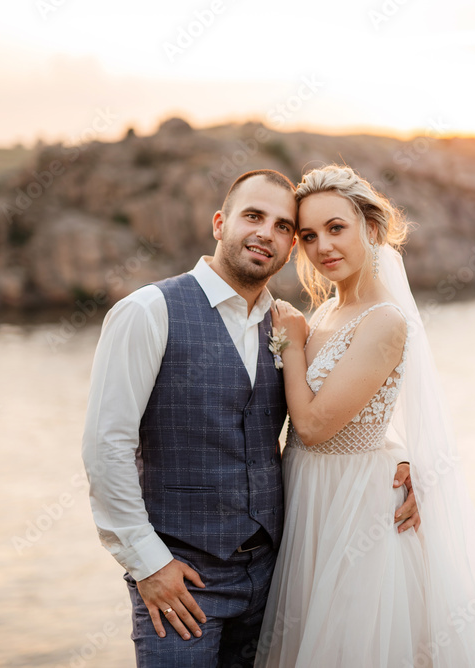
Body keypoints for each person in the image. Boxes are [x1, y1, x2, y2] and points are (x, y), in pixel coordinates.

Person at [80, 169, 419, 668]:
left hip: (277, 578)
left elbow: (350, 408)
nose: (268, 233)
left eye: (285, 227)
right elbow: (106, 447)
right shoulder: (149, 311)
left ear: (288, 250)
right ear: (220, 223)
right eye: (253, 216)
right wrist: (147, 565)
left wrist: (402, 461)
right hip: (183, 583)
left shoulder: (287, 324)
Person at [257, 165, 475, 667]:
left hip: (356, 511)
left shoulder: (384, 321)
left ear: (371, 228)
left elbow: (314, 428)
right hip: (312, 500)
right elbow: (361, 413)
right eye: (309, 235)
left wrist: (290, 345)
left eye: (336, 228)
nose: (322, 248)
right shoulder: (324, 313)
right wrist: (400, 453)